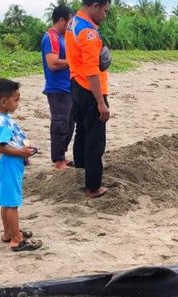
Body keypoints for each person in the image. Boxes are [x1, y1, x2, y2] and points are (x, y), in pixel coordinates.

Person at [65, 0, 111, 198]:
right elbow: (92, 71)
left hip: (76, 83)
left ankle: (81, 168)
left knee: (82, 130)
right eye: (105, 11)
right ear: (95, 6)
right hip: (90, 88)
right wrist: (100, 102)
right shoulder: (89, 32)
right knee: (95, 138)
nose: (105, 15)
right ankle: (93, 186)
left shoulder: (73, 23)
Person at [0, 79, 42, 252]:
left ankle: (8, 233)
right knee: (12, 202)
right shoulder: (3, 122)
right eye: (16, 99)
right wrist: (22, 152)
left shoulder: (2, 118)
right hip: (11, 163)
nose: (18, 103)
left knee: (6, 201)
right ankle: (16, 240)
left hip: (10, 164)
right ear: (4, 101)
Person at [41, 5, 75, 171]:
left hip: (68, 88)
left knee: (69, 125)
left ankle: (62, 155)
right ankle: (58, 160)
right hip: (57, 89)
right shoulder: (51, 37)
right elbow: (53, 63)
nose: (71, 26)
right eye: (69, 22)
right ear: (62, 20)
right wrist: (75, 60)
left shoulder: (63, 37)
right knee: (60, 124)